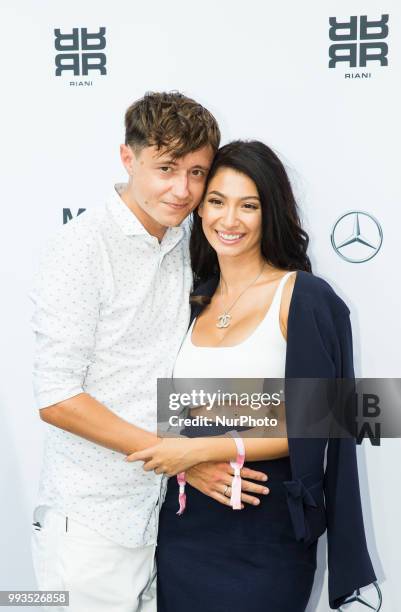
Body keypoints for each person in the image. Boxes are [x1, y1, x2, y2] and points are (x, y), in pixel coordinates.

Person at [30, 94, 270, 612]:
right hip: (89, 528)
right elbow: (57, 397)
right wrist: (180, 459)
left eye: (196, 172)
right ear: (127, 158)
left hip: (167, 524)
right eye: (166, 168)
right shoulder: (81, 248)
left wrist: (305, 413)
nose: (182, 190)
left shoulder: (192, 240)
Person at [127, 140, 377, 611]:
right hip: (185, 527)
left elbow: (330, 419)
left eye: (249, 205)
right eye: (217, 202)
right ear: (199, 211)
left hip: (269, 533)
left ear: (271, 212)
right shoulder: (188, 301)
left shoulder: (304, 297)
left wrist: (206, 446)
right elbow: (168, 411)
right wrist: (189, 456)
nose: (230, 220)